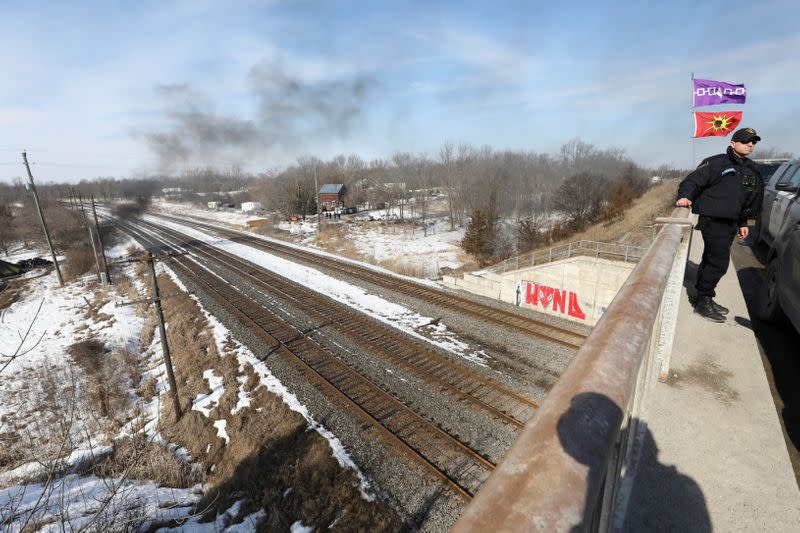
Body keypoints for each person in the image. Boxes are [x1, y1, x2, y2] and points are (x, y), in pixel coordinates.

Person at [676, 127, 763, 322]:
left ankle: (703, 294)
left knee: (710, 259)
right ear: (733, 143)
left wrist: (744, 223)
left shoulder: (752, 169)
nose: (750, 145)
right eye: (746, 141)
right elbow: (693, 181)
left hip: (732, 223)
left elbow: (751, 200)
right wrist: (685, 197)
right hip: (713, 221)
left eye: (753, 142)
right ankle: (702, 300)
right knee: (718, 262)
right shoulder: (716, 163)